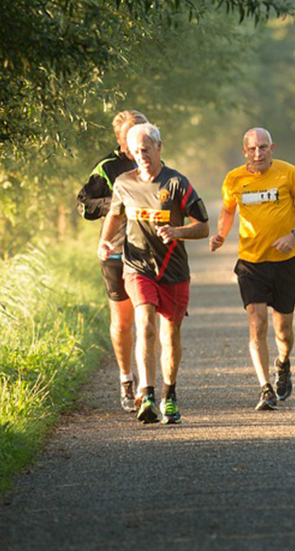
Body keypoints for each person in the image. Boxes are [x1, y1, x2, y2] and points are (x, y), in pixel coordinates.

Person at [97, 123, 209, 424]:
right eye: (136, 151)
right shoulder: (123, 183)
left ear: (159, 147)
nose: (141, 155)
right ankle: (146, 394)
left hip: (173, 271)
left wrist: (177, 231)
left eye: (146, 149)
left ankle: (169, 394)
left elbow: (203, 227)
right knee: (144, 322)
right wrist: (105, 241)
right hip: (137, 267)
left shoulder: (177, 184)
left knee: (170, 335)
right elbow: (115, 214)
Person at [209, 127, 295, 411]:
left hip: (285, 262)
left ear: (272, 148)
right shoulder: (234, 179)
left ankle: (283, 363)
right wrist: (220, 235)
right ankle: (265, 387)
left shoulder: (288, 173)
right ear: (244, 151)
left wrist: (293, 235)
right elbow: (228, 211)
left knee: (283, 332)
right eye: (253, 149)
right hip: (251, 263)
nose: (258, 153)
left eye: (263, 147)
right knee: (257, 324)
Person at [77, 110, 149, 412]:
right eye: (130, 134)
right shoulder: (107, 167)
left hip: (147, 252)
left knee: (146, 320)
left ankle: (148, 386)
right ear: (119, 138)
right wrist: (117, 204)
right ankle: (125, 379)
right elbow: (85, 205)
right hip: (117, 252)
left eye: (141, 132)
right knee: (123, 322)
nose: (136, 140)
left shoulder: (151, 160)